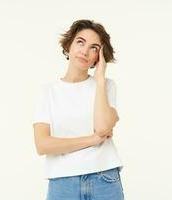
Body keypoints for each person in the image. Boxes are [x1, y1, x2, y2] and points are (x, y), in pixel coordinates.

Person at [32, 19, 124, 200]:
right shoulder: (48, 91)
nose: (85, 51)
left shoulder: (106, 85)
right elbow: (42, 145)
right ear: (69, 46)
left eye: (94, 48)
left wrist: (99, 80)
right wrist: (92, 139)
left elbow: (103, 127)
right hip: (62, 182)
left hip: (104, 178)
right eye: (80, 42)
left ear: (99, 56)